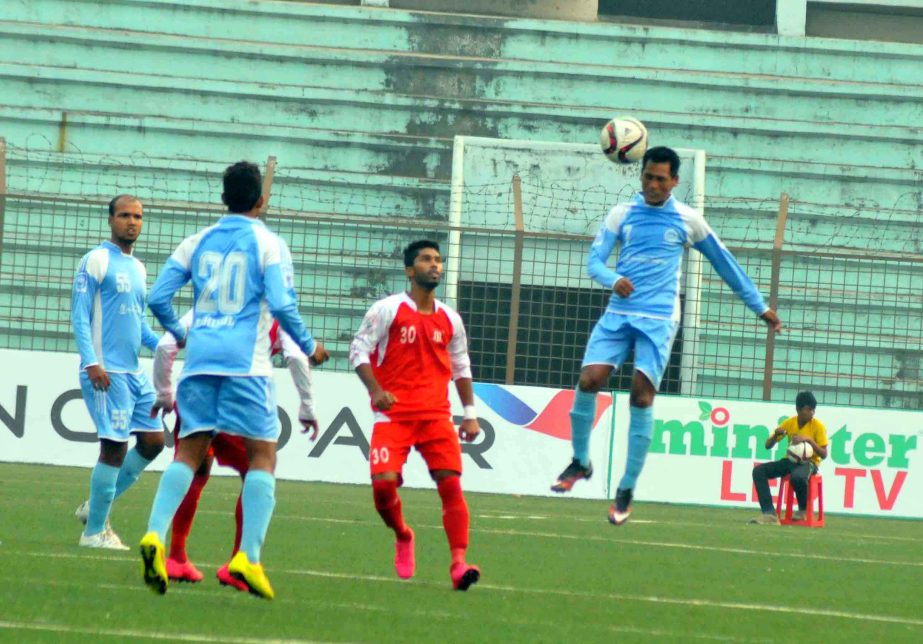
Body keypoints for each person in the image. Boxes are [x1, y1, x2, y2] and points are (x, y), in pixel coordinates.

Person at [550, 146, 783, 526]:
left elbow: (725, 263)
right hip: (619, 312)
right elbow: (594, 261)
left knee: (641, 395)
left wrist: (759, 306)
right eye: (648, 177)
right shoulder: (620, 215)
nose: (653, 185)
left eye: (661, 179)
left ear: (675, 181)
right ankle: (580, 461)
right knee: (589, 379)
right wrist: (613, 279)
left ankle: (625, 489)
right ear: (640, 176)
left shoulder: (688, 220)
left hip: (658, 317)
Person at [139, 161, 328, 599]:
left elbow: (157, 297)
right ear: (261, 200)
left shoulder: (197, 241)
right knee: (263, 456)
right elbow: (281, 305)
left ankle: (154, 534)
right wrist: (311, 344)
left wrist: (185, 332)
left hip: (200, 363)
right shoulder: (270, 243)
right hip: (248, 367)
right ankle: (248, 557)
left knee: (188, 452)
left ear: (222, 198)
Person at [349, 240, 482, 591]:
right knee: (383, 487)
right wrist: (376, 391)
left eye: (438, 260)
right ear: (410, 270)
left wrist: (470, 413)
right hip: (393, 417)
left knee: (451, 485)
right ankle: (404, 534)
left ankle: (458, 563)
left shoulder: (450, 318)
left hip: (436, 416)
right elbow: (358, 350)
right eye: (426, 260)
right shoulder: (388, 309)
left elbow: (461, 365)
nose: (434, 265)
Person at [152, 312, 319, 590]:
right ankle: (240, 562)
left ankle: (174, 554)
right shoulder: (274, 309)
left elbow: (165, 345)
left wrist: (164, 393)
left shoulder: (208, 301)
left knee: (193, 468)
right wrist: (308, 406)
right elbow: (297, 357)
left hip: (196, 389)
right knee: (256, 470)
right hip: (241, 394)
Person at [72, 194, 165, 549]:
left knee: (154, 442)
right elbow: (80, 315)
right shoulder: (95, 260)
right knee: (114, 446)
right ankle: (94, 532)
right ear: (110, 220)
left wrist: (166, 346)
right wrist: (91, 361)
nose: (132, 222)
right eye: (125, 215)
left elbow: (138, 325)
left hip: (133, 373)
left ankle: (95, 508)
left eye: (138, 216)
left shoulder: (138, 268)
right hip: (105, 370)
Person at [750, 391, 828, 525]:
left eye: (813, 410)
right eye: (808, 409)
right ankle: (769, 513)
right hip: (790, 461)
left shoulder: (818, 426)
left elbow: (824, 454)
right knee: (758, 471)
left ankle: (803, 510)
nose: (812, 412)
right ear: (798, 409)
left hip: (809, 463)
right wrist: (775, 435)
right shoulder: (789, 423)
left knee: (797, 477)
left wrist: (809, 440)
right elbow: (767, 446)